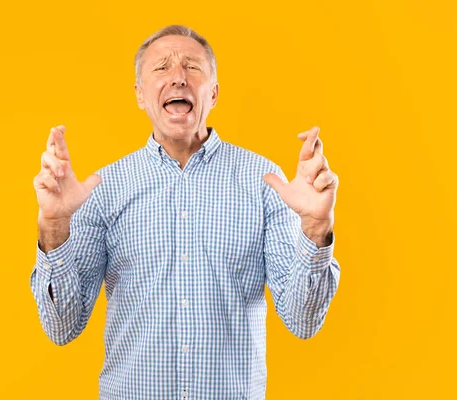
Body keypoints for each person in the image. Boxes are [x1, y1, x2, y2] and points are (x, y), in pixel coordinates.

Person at [30, 24, 341, 400]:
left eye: (192, 67)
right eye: (161, 68)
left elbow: (303, 320)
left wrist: (315, 226)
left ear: (213, 92)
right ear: (140, 95)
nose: (178, 78)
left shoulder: (265, 183)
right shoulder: (103, 189)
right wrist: (54, 224)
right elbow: (61, 327)